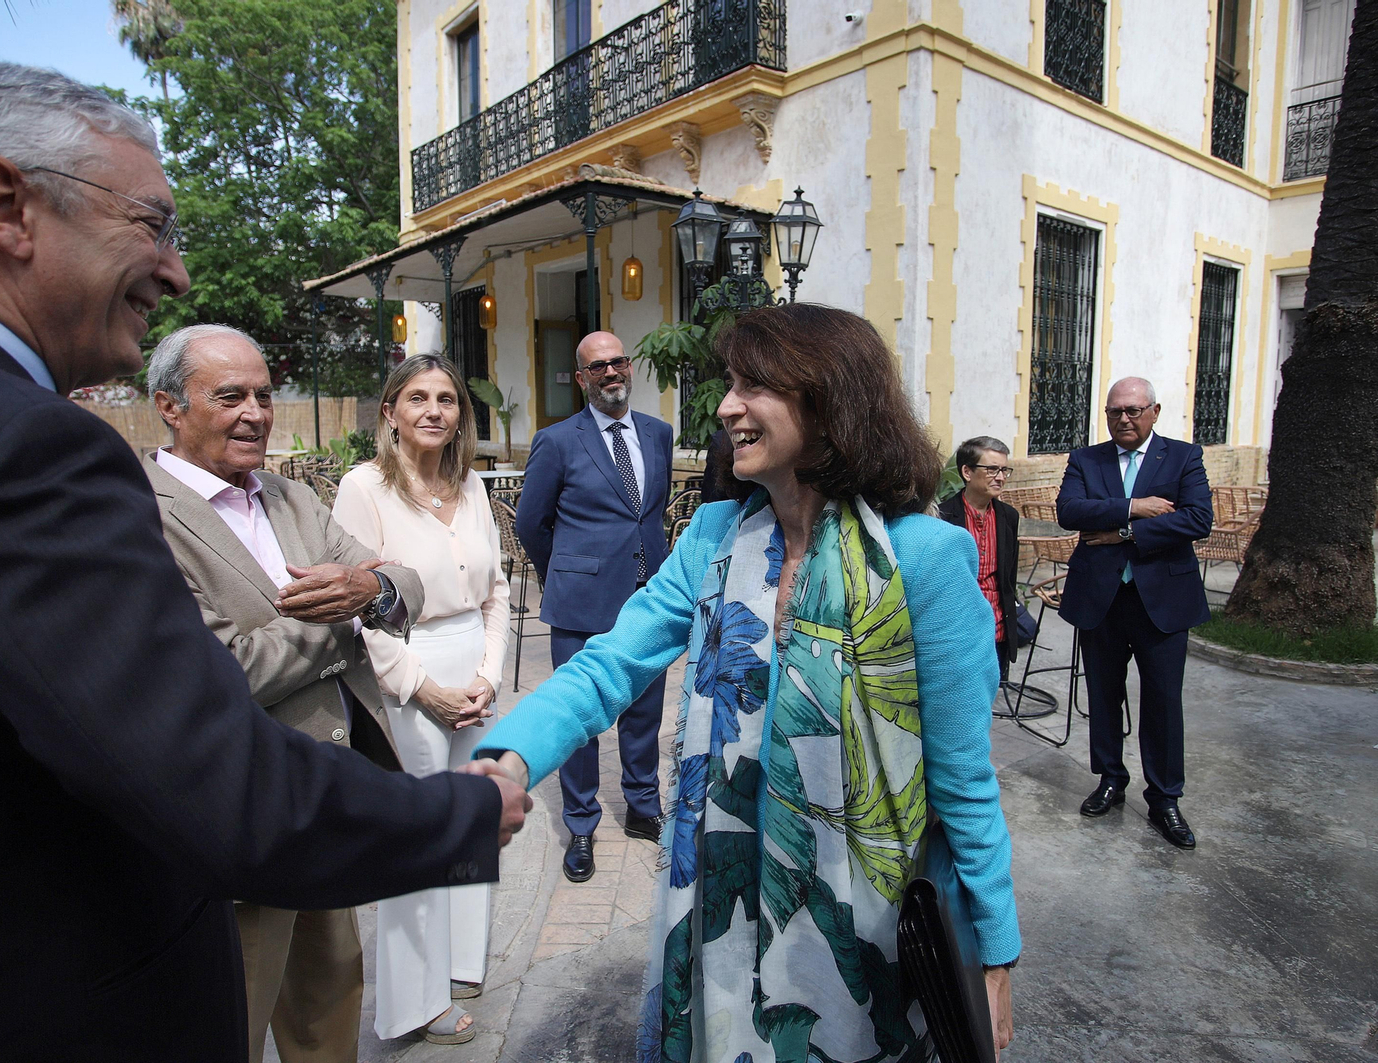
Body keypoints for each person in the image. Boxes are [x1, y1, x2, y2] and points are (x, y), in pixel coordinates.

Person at [0, 55, 530, 1062]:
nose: (173, 272)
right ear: (4, 205)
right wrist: (463, 810)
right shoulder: (33, 448)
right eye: (149, 224)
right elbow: (209, 764)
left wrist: (367, 594)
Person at [473, 304, 1020, 1061]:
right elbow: (610, 663)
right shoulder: (714, 538)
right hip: (722, 918)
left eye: (754, 385)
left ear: (829, 401)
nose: (728, 407)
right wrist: (510, 759)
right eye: (730, 384)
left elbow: (963, 777)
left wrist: (995, 952)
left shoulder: (924, 557)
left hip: (866, 934)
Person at [144, 324, 418, 1063]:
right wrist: (346, 623)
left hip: (322, 804)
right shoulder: (140, 515)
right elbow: (220, 672)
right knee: (229, 1021)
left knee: (327, 1012)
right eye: (230, 396)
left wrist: (372, 588)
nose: (256, 414)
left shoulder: (290, 496)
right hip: (235, 821)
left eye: (264, 396)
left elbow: (403, 582)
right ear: (169, 407)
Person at [332, 355, 511, 1046]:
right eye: (417, 398)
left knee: (472, 815)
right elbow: (358, 609)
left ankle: (461, 961)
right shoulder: (364, 488)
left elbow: (497, 592)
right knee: (419, 832)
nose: (434, 410)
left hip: (475, 669)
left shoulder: (470, 487)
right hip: (407, 672)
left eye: (447, 398)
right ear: (391, 412)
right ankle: (415, 1000)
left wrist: (489, 675)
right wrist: (421, 687)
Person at [514, 330, 674, 883]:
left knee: (644, 713)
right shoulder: (557, 441)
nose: (611, 372)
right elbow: (530, 523)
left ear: (629, 367)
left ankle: (642, 806)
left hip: (648, 599)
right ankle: (580, 825)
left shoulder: (658, 434)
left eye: (618, 362)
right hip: (581, 602)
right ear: (582, 377)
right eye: (598, 366)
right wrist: (563, 574)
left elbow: (649, 514)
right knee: (579, 717)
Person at [1056, 377, 1213, 850]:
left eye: (1133, 410)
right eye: (1114, 412)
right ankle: (1110, 779)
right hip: (1101, 598)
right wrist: (1135, 507)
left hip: (1162, 601)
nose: (1123, 419)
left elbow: (1197, 519)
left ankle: (1164, 797)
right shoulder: (1086, 459)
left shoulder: (1183, 457)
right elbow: (1070, 511)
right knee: (1104, 694)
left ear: (1154, 411)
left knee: (1163, 700)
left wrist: (1123, 532)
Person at [938, 436, 1022, 678]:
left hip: (997, 630)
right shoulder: (943, 517)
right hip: (958, 631)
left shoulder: (1009, 517)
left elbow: (1009, 577)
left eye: (1004, 470)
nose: (1001, 477)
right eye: (992, 469)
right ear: (967, 472)